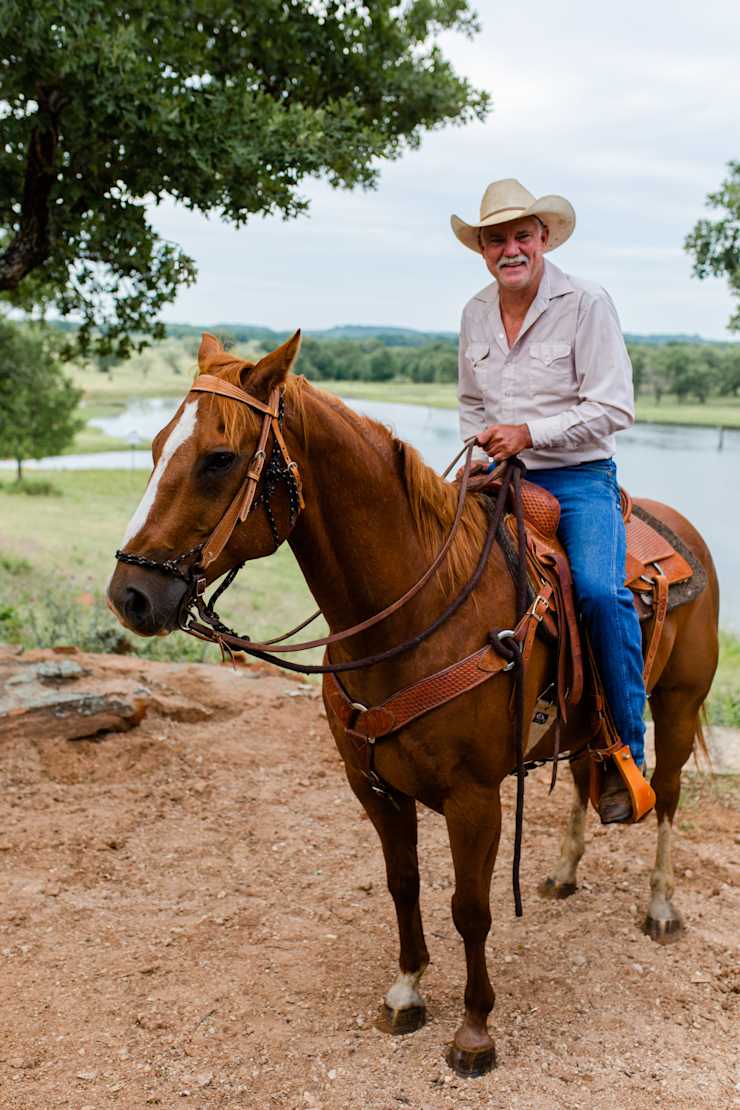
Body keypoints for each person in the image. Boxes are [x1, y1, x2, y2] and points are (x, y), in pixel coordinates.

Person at [451, 177, 650, 824]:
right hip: (498, 477)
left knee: (597, 591)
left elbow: (614, 405)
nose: (510, 248)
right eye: (496, 239)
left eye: (521, 236)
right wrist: (481, 445)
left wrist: (530, 434)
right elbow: (470, 404)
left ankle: (626, 749)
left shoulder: (586, 302)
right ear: (482, 248)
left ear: (542, 239)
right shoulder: (476, 312)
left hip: (576, 477)